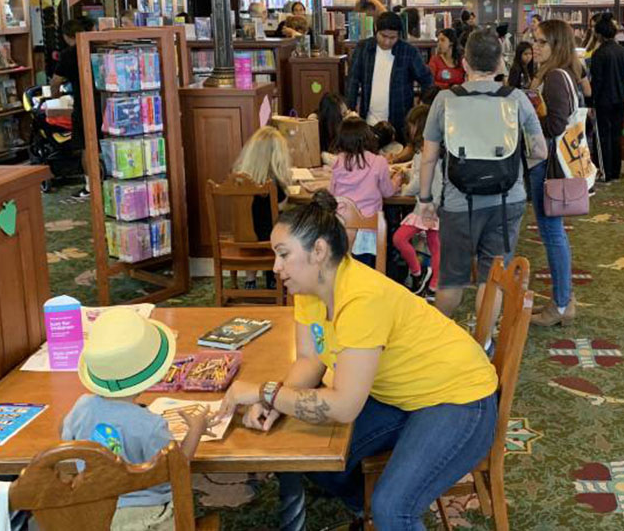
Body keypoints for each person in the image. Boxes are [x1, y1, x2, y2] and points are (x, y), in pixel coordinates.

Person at [213, 192, 499, 531]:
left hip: (460, 399)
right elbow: (309, 359)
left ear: (318, 251)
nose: (275, 267)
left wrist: (267, 392)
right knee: (312, 453)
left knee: (393, 507)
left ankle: (387, 510)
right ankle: (366, 509)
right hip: (402, 394)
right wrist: (279, 402)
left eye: (283, 255)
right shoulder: (311, 289)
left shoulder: (361, 298)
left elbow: (345, 405)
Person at [416, 29, 547, 317]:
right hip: (506, 199)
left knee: (451, 277)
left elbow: (428, 157)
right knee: (492, 278)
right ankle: (484, 343)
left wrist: (425, 200)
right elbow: (540, 151)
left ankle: (440, 340)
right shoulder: (516, 99)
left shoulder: (444, 100)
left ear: (464, 63)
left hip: (458, 201)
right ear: (501, 63)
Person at [64, 307, 208, 531]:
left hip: (93, 514)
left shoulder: (81, 406)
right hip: (148, 519)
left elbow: (66, 444)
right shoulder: (150, 426)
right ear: (154, 375)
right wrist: (197, 429)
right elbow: (177, 468)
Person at [527, 19, 580, 327]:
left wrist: (530, 118)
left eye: (542, 42)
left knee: (551, 232)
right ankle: (563, 297)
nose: (536, 46)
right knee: (552, 231)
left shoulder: (556, 77)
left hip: (549, 164)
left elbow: (555, 125)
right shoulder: (559, 73)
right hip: (551, 163)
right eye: (535, 40)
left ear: (557, 45)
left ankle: (561, 304)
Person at [345, 11, 434, 142]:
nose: (387, 42)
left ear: (399, 35)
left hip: (400, 122)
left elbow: (426, 79)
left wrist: (421, 108)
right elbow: (353, 80)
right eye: (383, 36)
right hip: (368, 121)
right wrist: (350, 109)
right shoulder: (363, 48)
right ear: (376, 30)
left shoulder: (408, 52)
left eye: (392, 38)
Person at [330, 117, 401, 266]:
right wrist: (396, 181)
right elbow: (388, 192)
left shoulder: (337, 162)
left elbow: (332, 193)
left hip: (342, 228)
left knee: (342, 269)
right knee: (365, 270)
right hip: (368, 229)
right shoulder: (379, 161)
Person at [233, 126, 293, 288]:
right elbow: (282, 206)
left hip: (244, 239)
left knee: (255, 226)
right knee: (286, 226)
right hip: (269, 240)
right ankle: (274, 278)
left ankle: (250, 280)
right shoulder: (273, 184)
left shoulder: (238, 181)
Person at [392, 105, 442, 297]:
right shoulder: (432, 150)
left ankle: (417, 273)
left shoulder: (424, 153)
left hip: (426, 205)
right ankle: (434, 285)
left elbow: (418, 181)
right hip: (435, 204)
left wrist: (404, 189)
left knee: (399, 238)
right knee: (435, 245)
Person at [588, 13, 624, 184]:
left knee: (603, 136)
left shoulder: (599, 54)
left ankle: (605, 171)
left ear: (598, 34)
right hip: (620, 98)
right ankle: (616, 171)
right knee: (616, 135)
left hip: (603, 100)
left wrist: (591, 102)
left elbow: (597, 81)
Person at [50, 19, 91, 198]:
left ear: (67, 37)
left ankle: (90, 185)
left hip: (83, 104)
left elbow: (56, 81)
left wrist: (54, 95)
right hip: (105, 101)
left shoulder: (68, 55)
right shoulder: (96, 47)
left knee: (86, 146)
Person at [315, 92, 350, 166]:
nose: (348, 118)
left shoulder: (351, 133)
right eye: (344, 115)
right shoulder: (317, 135)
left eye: (348, 112)